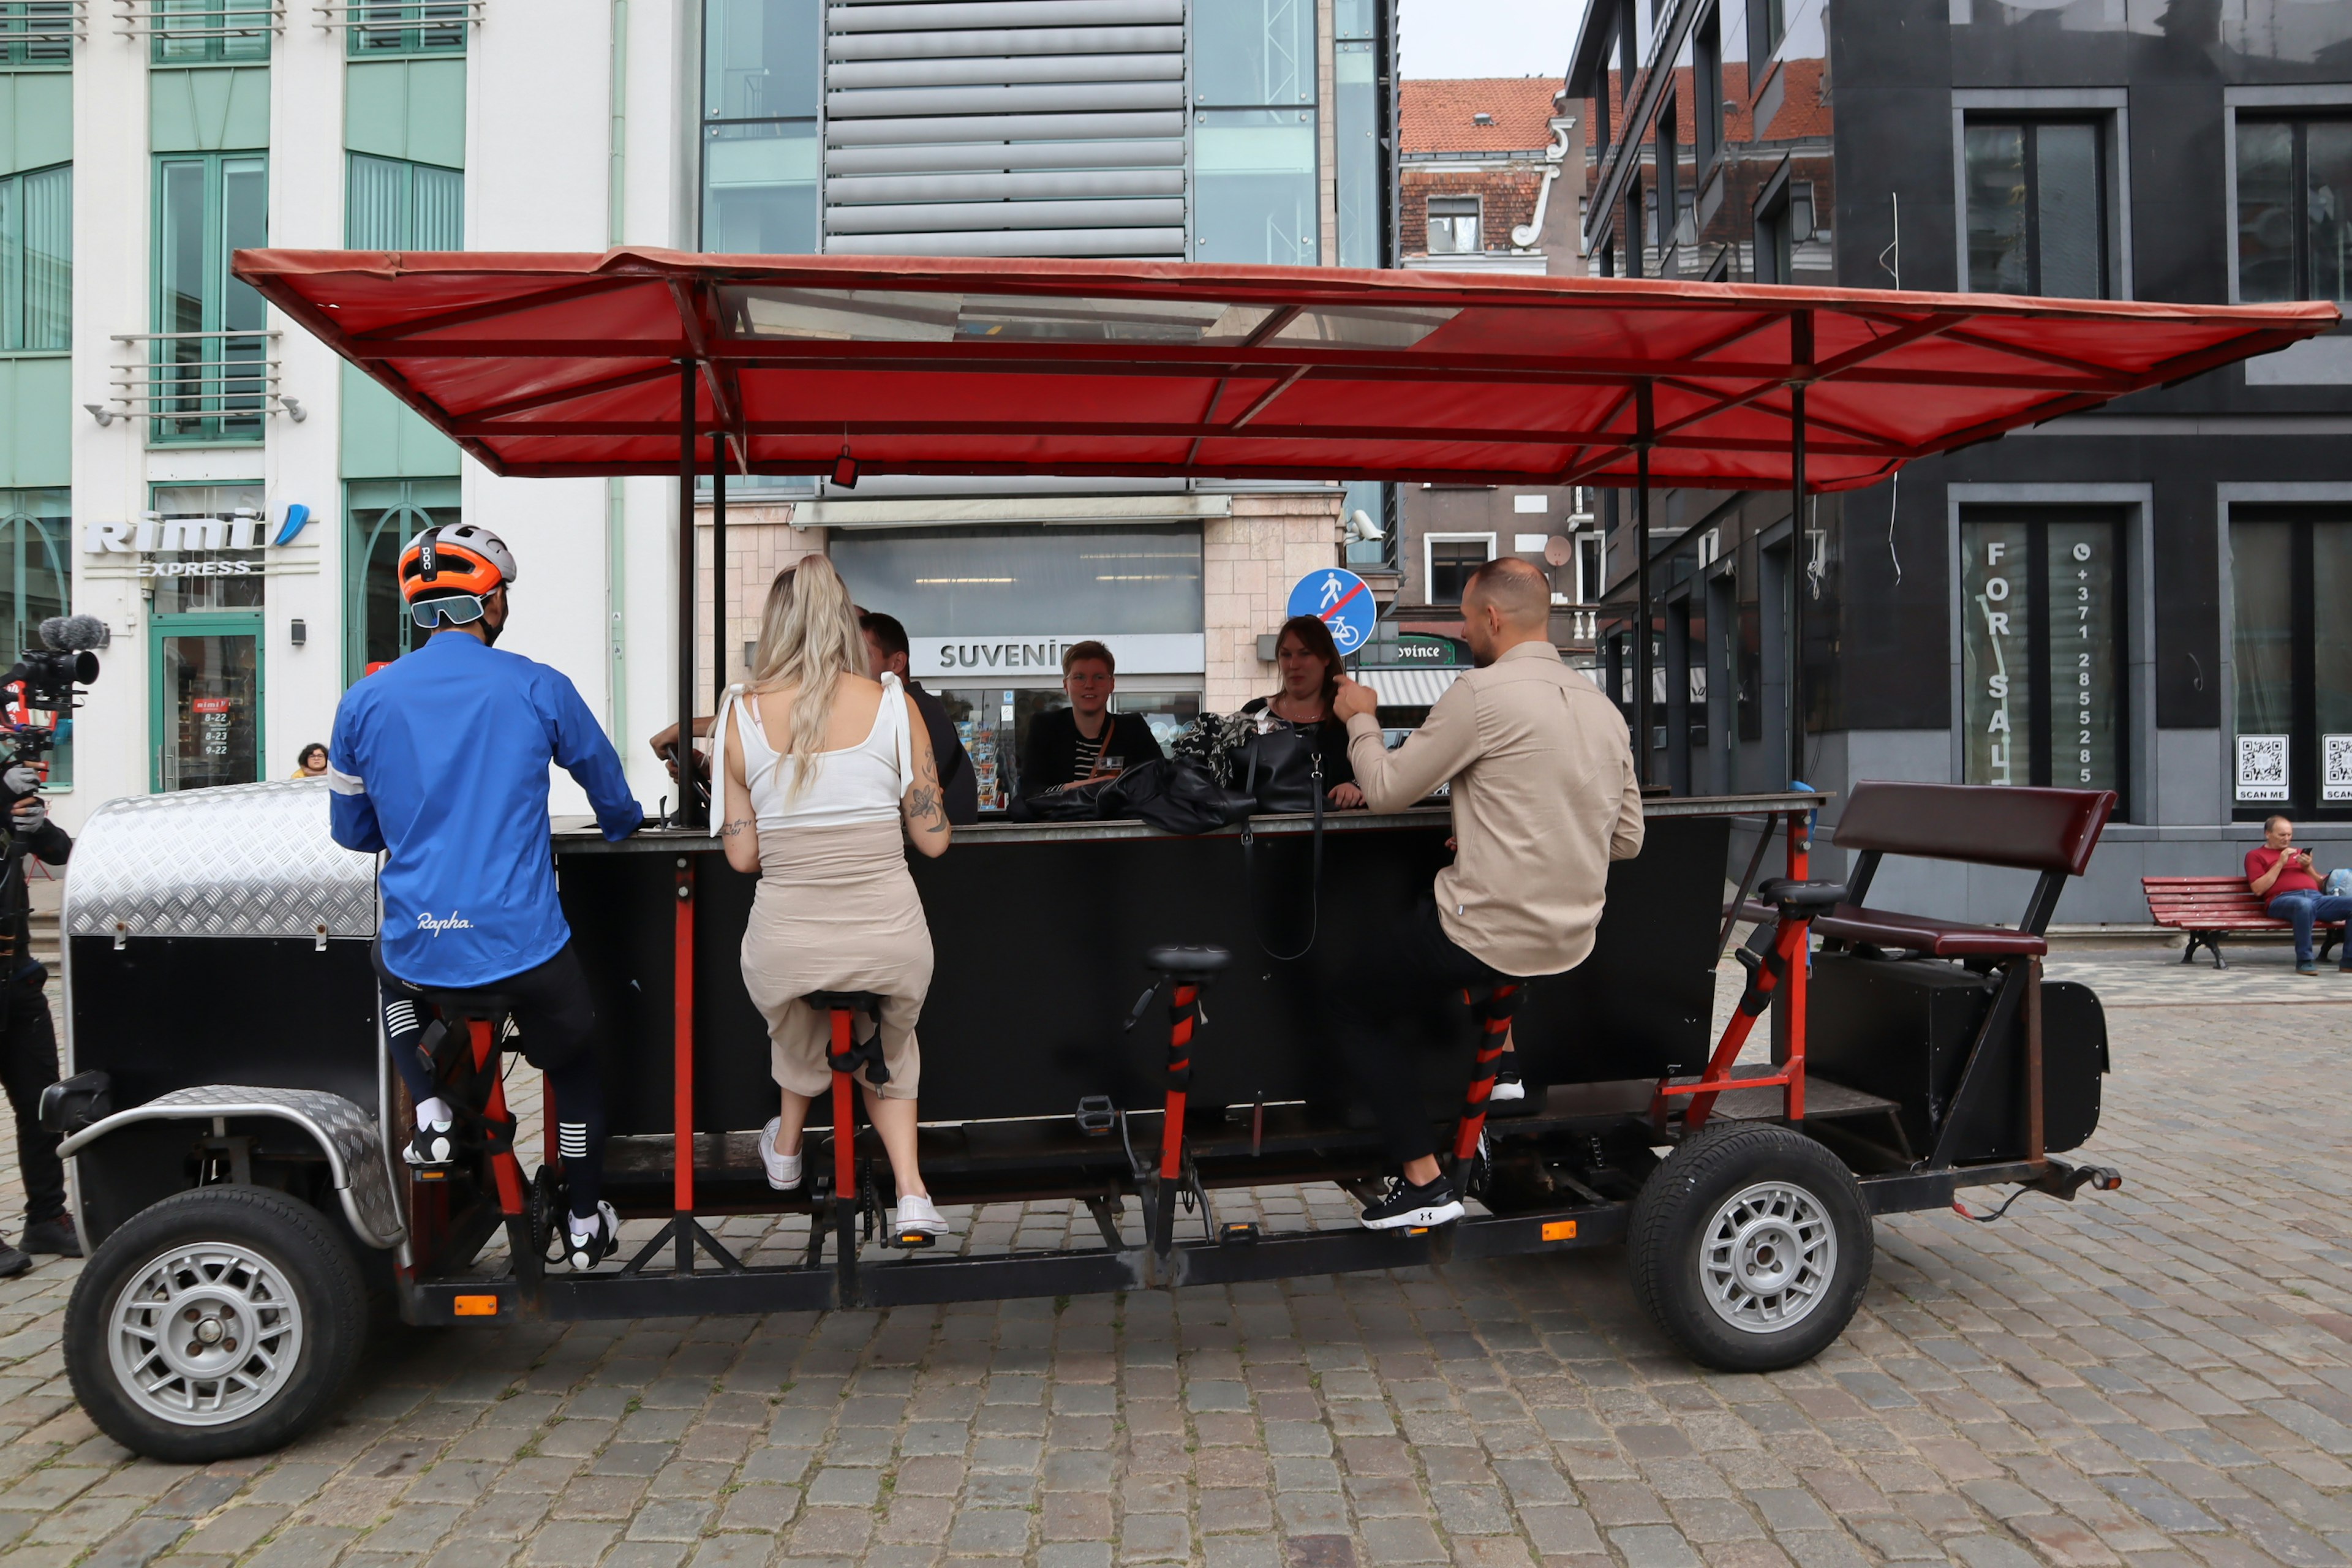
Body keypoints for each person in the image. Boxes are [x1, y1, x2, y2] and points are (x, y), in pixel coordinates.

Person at [328, 522, 644, 1270]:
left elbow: (352, 832)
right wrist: (621, 826)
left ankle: (431, 1110)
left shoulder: (363, 701)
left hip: (425, 943)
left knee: (388, 964)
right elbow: (614, 800)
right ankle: (581, 1219)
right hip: (526, 944)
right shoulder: (538, 684)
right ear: (487, 600)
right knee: (571, 1069)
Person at [1329, 557, 1643, 1229]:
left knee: (1355, 999)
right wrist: (1493, 832)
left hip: (1489, 933)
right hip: (1572, 936)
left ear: (1494, 618)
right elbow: (1627, 840)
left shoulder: (1480, 693)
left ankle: (1423, 1182)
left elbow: (1384, 791)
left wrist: (1361, 718)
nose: (1465, 631)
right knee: (1444, 949)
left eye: (1468, 619)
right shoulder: (1604, 707)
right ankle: (1500, 1063)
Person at [718, 560, 954, 1241]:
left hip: (786, 942)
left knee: (798, 1015)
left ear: (776, 626)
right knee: (890, 1041)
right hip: (890, 939)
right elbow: (933, 842)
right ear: (846, 623)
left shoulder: (741, 713)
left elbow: (742, 856)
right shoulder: (893, 704)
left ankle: (787, 1144)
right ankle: (912, 1191)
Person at [0, 755, 78, 1277]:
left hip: (17, 970)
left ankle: (47, 1215)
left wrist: (34, 821)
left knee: (41, 1100)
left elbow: (58, 851)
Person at [859, 610, 979, 825]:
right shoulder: (924, 706)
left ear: (897, 664)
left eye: (863, 655)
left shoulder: (905, 710)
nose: (851, 664)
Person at [1239, 614, 1368, 809]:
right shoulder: (1256, 713)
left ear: (1325, 658)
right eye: (1286, 655)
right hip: (1264, 837)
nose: (1293, 665)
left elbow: (1378, 775)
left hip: (1339, 835)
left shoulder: (1349, 716)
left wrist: (1355, 786)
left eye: (1305, 653)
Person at [1018, 641, 1166, 796]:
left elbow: (1160, 783)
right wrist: (1092, 786)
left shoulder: (1133, 729)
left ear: (1111, 685)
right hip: (1061, 820)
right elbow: (1031, 792)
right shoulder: (1045, 727)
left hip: (1120, 821)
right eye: (1079, 677)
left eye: (1099, 677)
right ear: (1066, 685)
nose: (1089, 685)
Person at [2245, 815, 2351, 975]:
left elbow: (2320, 885)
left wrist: (2308, 867)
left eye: (2289, 835)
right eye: (2282, 835)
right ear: (2268, 834)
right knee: (2304, 905)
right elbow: (2258, 889)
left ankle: (2349, 961)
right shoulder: (2255, 856)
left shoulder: (2299, 853)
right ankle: (2305, 960)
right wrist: (2280, 863)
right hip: (2281, 900)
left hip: (2315, 898)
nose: (2287, 839)